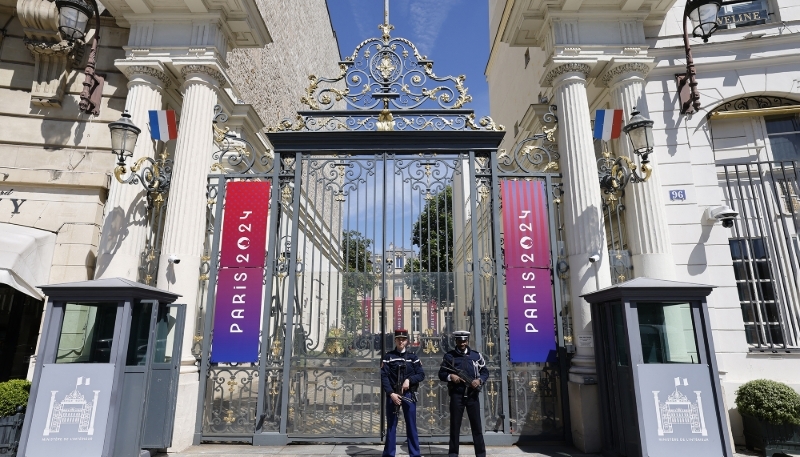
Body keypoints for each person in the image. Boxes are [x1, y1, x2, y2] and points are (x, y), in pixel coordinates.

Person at [438, 330, 489, 457]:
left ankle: (481, 454)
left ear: (467, 341)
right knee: (455, 426)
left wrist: (479, 380)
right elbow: (442, 374)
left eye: (464, 341)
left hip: (472, 395)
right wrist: (451, 377)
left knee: (476, 426)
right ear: (456, 341)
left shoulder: (476, 356)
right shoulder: (449, 357)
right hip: (457, 395)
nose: (462, 343)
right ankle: (453, 454)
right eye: (460, 341)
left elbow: (485, 372)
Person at [380, 329, 425, 457]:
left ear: (407, 341)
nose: (401, 341)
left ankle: (415, 454)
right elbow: (384, 377)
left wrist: (409, 380)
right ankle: (389, 454)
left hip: (408, 395)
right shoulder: (388, 357)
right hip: (393, 395)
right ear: (395, 340)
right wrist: (391, 394)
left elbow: (421, 374)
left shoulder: (413, 357)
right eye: (398, 339)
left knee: (411, 426)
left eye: (403, 339)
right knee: (391, 426)